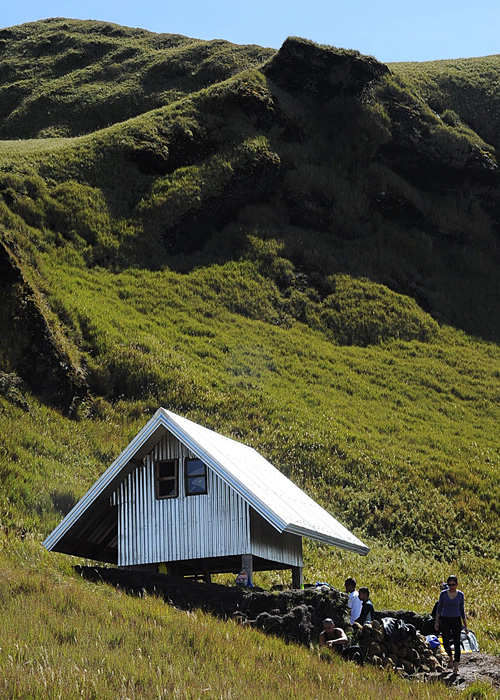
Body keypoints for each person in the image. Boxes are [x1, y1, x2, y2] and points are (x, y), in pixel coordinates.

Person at [434, 574, 468, 674]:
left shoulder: (460, 595)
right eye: (449, 585)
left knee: (457, 642)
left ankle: (456, 666)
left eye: (453, 585)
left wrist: (465, 626)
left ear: (457, 584)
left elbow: (462, 610)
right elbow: (439, 608)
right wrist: (436, 621)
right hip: (445, 619)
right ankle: (450, 657)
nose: (451, 587)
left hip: (456, 619)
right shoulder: (443, 594)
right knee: (445, 641)